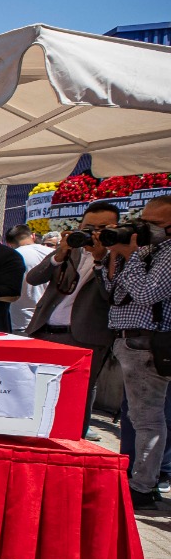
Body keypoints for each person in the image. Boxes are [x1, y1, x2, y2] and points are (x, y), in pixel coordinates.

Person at [100, 195, 171, 510]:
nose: (144, 228)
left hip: (148, 343)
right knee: (138, 417)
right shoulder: (148, 251)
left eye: (153, 224)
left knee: (147, 418)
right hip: (127, 341)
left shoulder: (166, 254)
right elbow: (114, 290)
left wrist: (134, 256)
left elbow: (146, 293)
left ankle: (142, 486)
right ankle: (140, 479)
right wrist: (116, 256)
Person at [26, 203, 116, 438]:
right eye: (89, 228)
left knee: (78, 394)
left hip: (86, 336)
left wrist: (102, 260)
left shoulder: (118, 256)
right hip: (45, 330)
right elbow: (34, 278)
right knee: (36, 391)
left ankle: (72, 442)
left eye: (102, 228)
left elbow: (113, 295)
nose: (93, 234)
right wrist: (59, 254)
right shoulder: (71, 250)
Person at [6, 224, 53, 332]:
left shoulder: (11, 257)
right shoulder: (52, 253)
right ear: (33, 236)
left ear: (9, 244)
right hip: (48, 319)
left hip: (20, 320)